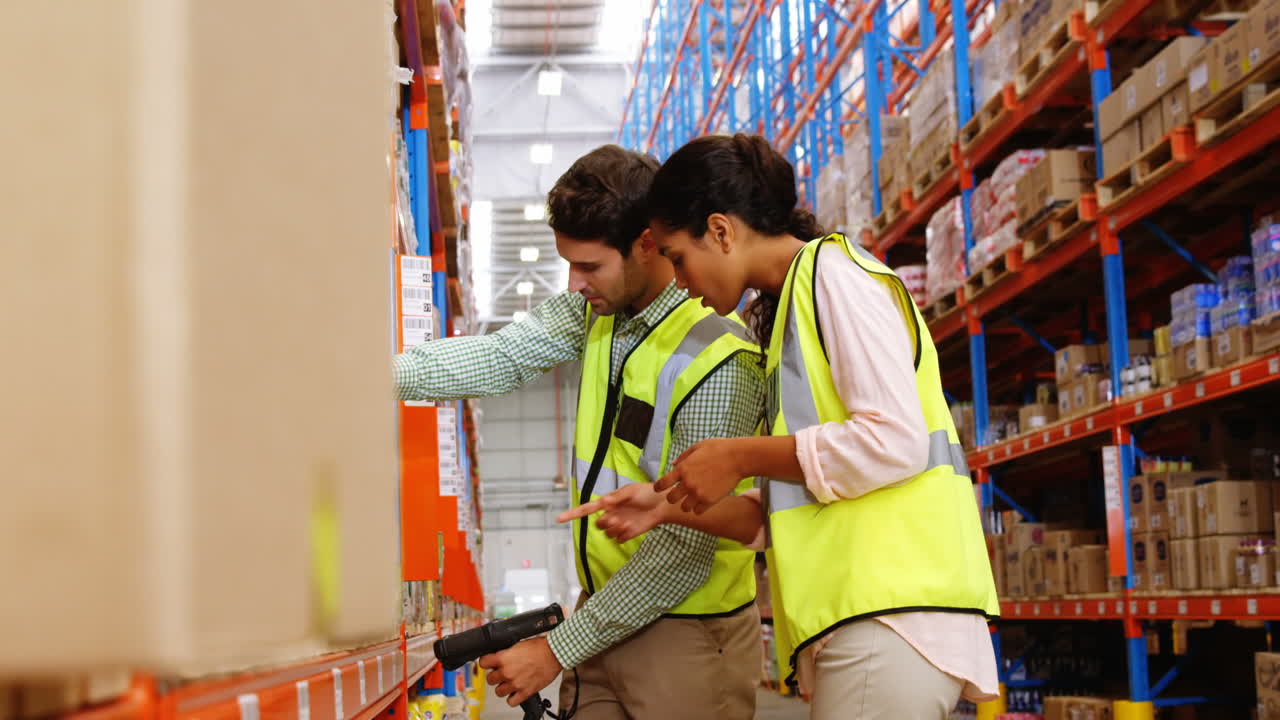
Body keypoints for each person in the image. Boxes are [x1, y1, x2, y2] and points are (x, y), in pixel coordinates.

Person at [558, 134, 1000, 719]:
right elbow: (774, 516)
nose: (680, 280)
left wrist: (742, 456)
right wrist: (666, 505)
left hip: (892, 613)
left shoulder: (834, 276)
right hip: (862, 616)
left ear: (721, 231)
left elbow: (894, 442)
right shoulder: (790, 314)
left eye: (679, 256)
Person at [394, 145, 765, 719]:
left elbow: (685, 550)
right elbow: (499, 356)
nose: (574, 282)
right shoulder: (596, 315)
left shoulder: (720, 358)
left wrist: (556, 650)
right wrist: (369, 377)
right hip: (604, 618)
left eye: (589, 266)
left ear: (648, 243)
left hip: (687, 637)